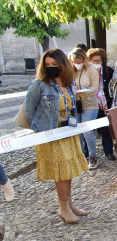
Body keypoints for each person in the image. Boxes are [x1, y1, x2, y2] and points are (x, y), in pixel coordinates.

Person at [23, 49, 89, 223]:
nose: (51, 67)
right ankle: (63, 208)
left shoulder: (67, 83)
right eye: (47, 65)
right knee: (61, 172)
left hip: (68, 132)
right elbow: (28, 111)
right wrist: (42, 130)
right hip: (52, 136)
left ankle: (69, 203)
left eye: (54, 64)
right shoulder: (39, 85)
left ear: (63, 65)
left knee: (68, 171)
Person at [69, 48, 100, 170]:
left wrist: (83, 92)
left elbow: (95, 87)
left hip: (89, 103)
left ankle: (93, 157)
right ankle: (80, 156)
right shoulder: (69, 69)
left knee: (87, 130)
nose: (77, 63)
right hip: (75, 104)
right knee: (77, 131)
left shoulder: (91, 69)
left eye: (80, 61)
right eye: (75, 61)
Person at [87, 48, 116, 161]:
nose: (96, 63)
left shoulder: (108, 70)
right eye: (93, 61)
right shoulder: (86, 72)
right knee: (89, 130)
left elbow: (113, 85)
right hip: (90, 104)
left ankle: (108, 151)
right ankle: (89, 153)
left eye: (98, 61)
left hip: (105, 104)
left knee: (106, 129)